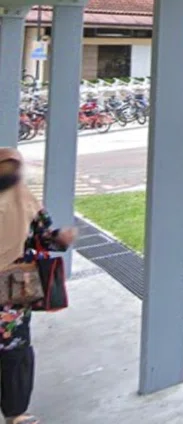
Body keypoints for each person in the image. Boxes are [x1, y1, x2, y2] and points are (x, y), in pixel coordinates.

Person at [0, 148, 75, 424]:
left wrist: (61, 239)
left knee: (16, 349)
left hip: (14, 286)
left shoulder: (26, 199)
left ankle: (16, 413)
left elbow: (42, 237)